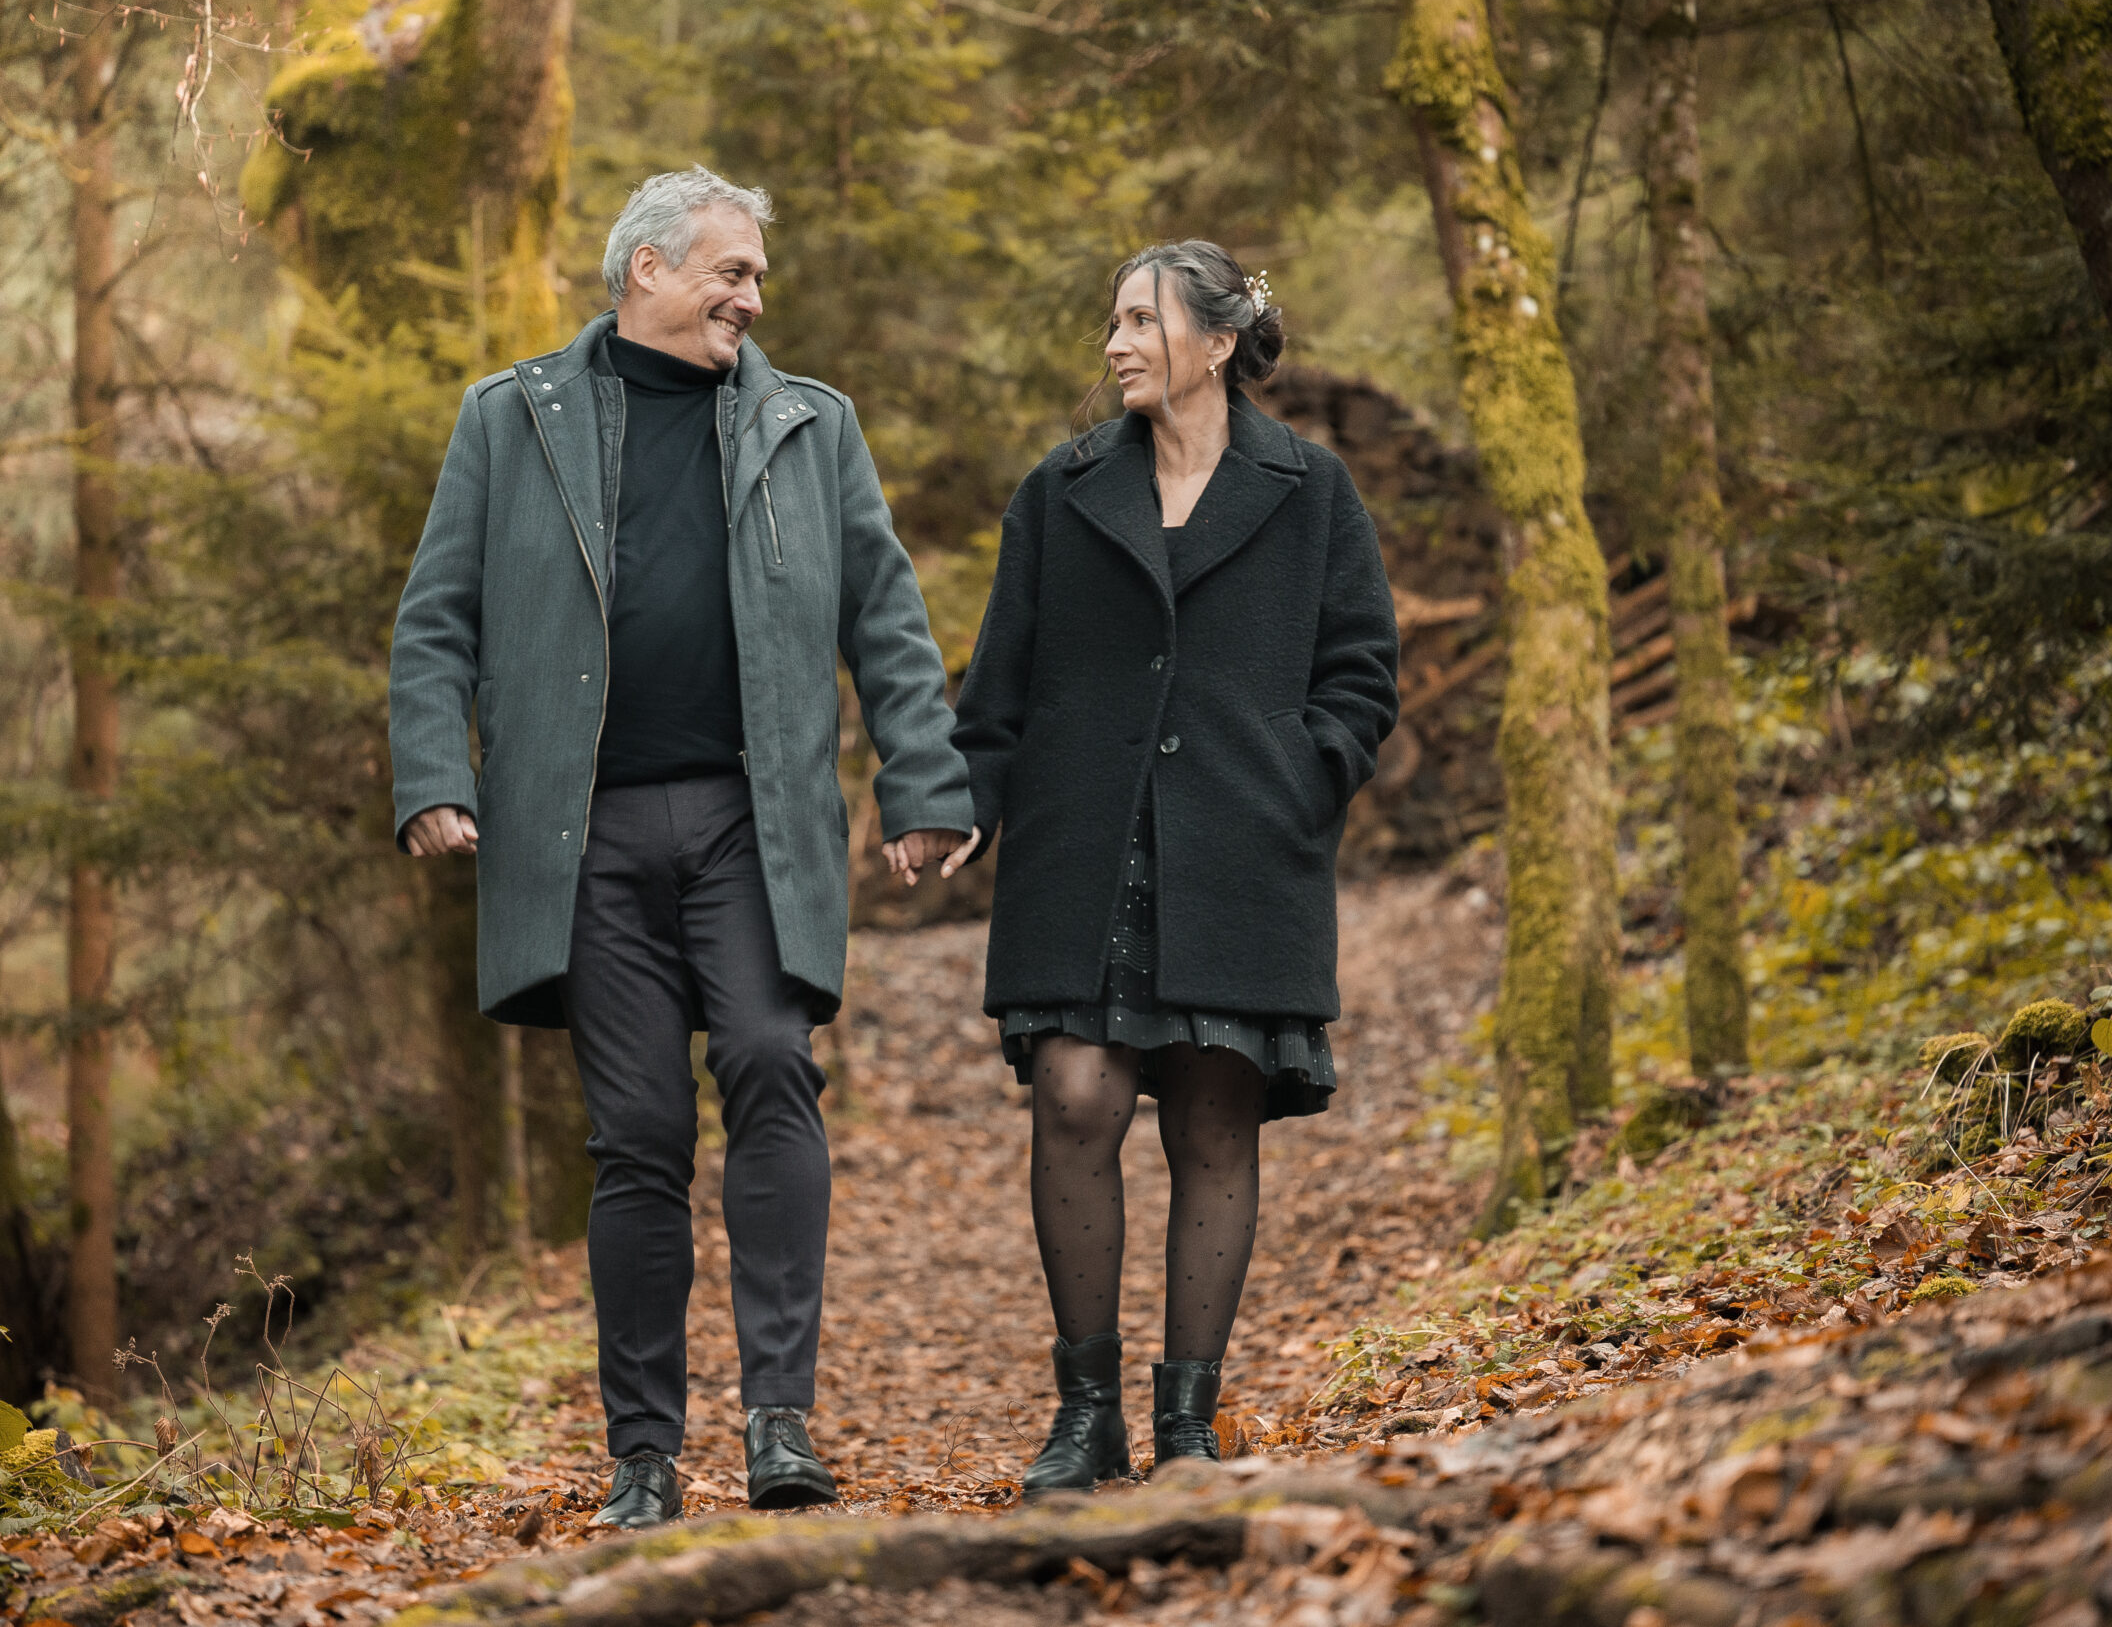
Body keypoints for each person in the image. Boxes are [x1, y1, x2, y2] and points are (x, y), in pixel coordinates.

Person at [389, 166, 977, 1531]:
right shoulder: (509, 418)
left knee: (773, 1065)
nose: (752, 297)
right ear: (645, 269)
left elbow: (884, 611)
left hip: (751, 822)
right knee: (641, 1132)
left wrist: (923, 779)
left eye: (758, 276)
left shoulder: (807, 423)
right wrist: (433, 771)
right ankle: (642, 1453)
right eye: (731, 270)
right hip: (579, 833)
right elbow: (437, 620)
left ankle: (780, 1419)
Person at [949, 241, 1399, 1491]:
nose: (1115, 343)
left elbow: (1361, 671)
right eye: (1112, 320)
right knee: (1077, 1097)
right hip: (1082, 842)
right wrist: (961, 802)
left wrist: (1308, 772)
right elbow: (996, 682)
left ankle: (1189, 1423)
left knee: (1213, 1113)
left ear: (1211, 343)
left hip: (1246, 846)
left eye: (1139, 320)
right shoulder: (1062, 487)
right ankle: (1084, 1410)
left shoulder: (1311, 490)